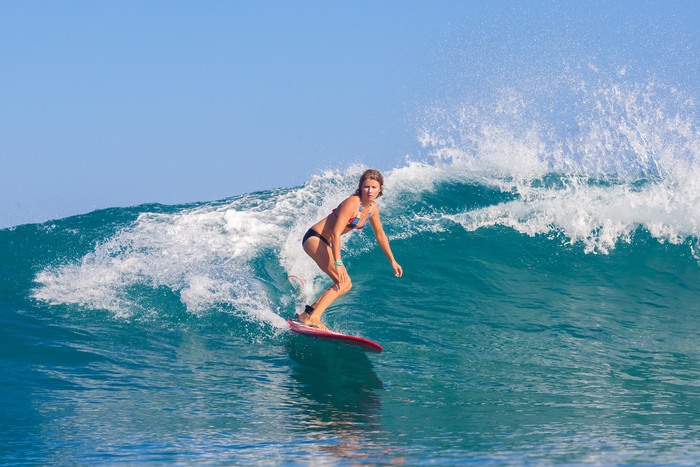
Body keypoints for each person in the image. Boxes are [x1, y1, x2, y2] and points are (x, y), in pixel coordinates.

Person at [298, 169, 402, 331]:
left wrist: (392, 260)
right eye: (366, 187)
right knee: (342, 282)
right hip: (315, 238)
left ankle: (307, 314)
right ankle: (314, 318)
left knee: (345, 284)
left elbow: (380, 235)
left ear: (380, 188)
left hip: (324, 242)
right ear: (360, 187)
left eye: (374, 187)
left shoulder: (372, 208)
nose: (370, 191)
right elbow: (336, 232)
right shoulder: (353, 203)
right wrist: (338, 261)